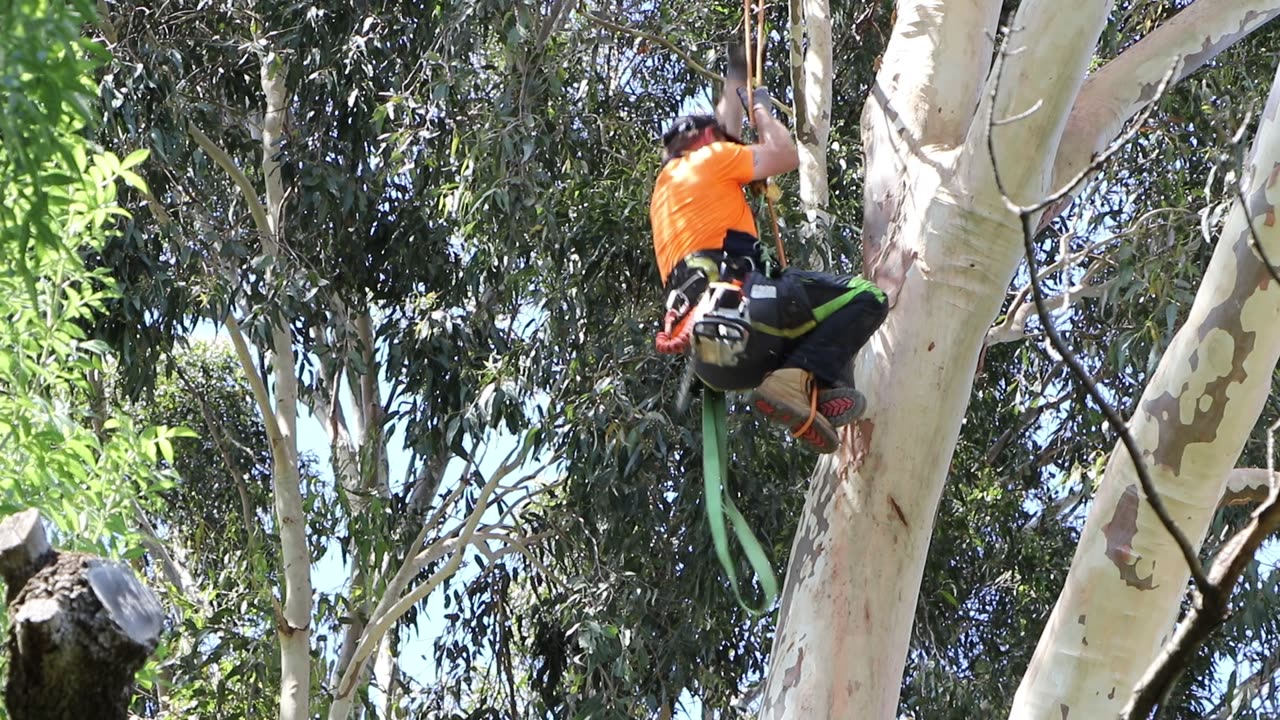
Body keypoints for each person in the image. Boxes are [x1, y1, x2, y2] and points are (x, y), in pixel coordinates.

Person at [649, 46, 888, 454]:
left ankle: (815, 387)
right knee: (866, 298)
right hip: (747, 312)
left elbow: (727, 125)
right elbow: (782, 154)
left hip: (715, 358)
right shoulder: (709, 159)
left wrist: (737, 67)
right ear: (707, 140)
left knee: (817, 328)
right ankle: (798, 380)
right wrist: (762, 111)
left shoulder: (666, 194)